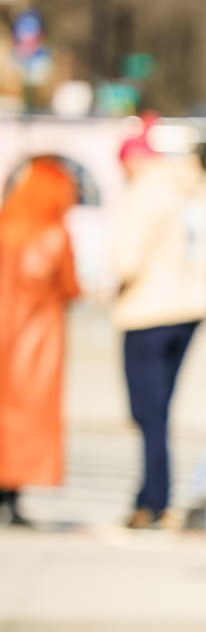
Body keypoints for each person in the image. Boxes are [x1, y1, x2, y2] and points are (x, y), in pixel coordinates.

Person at [110, 126, 206, 530]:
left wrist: (113, 280)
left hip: (148, 309)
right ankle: (153, 496)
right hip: (190, 307)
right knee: (160, 408)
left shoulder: (150, 187)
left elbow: (126, 255)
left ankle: (153, 499)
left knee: (148, 411)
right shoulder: (205, 188)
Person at [0, 157, 80, 526]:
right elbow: (70, 285)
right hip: (36, 340)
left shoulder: (5, 227)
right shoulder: (54, 234)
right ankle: (12, 496)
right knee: (27, 420)